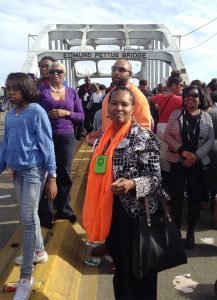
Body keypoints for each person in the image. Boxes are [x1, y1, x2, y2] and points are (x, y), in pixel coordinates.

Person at [83, 86, 168, 300]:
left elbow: (156, 178)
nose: (118, 108)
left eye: (124, 104)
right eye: (114, 103)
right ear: (107, 109)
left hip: (136, 216)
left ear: (133, 108)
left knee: (140, 273)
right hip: (110, 213)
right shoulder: (104, 139)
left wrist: (131, 183)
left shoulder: (144, 137)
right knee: (121, 269)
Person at [0, 72, 57, 300]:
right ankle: (39, 251)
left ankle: (26, 276)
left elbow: (47, 144)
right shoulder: (10, 114)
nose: (11, 92)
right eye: (8, 88)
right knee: (30, 214)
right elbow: (4, 146)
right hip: (17, 172)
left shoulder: (36, 111)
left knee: (26, 217)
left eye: (15, 88)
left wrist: (52, 176)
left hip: (34, 171)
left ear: (26, 88)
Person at [164, 85, 214, 249]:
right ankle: (176, 230)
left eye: (195, 96)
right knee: (176, 198)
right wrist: (183, 152)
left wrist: (195, 156)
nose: (190, 98)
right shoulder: (175, 114)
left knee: (195, 198)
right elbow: (167, 135)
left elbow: (209, 141)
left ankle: (191, 231)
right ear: (183, 99)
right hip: (178, 161)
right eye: (187, 95)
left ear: (200, 99)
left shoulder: (206, 117)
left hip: (197, 164)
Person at [38, 62, 84, 228]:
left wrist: (66, 113)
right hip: (45, 137)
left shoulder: (72, 92)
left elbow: (81, 116)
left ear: (64, 74)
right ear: (48, 74)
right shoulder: (41, 92)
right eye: (52, 71)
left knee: (64, 173)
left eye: (59, 71)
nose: (56, 74)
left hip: (66, 137)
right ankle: (47, 213)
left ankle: (64, 209)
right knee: (47, 174)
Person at [151, 70, 184, 188]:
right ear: (174, 86)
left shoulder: (159, 97)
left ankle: (161, 180)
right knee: (170, 155)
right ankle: (169, 183)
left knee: (161, 154)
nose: (182, 88)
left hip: (159, 126)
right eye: (181, 85)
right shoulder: (179, 100)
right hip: (171, 129)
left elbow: (151, 99)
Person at [101, 59, 151, 132]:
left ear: (130, 74)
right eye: (114, 69)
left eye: (121, 70)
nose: (116, 72)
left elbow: (144, 128)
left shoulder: (137, 96)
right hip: (108, 141)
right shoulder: (109, 94)